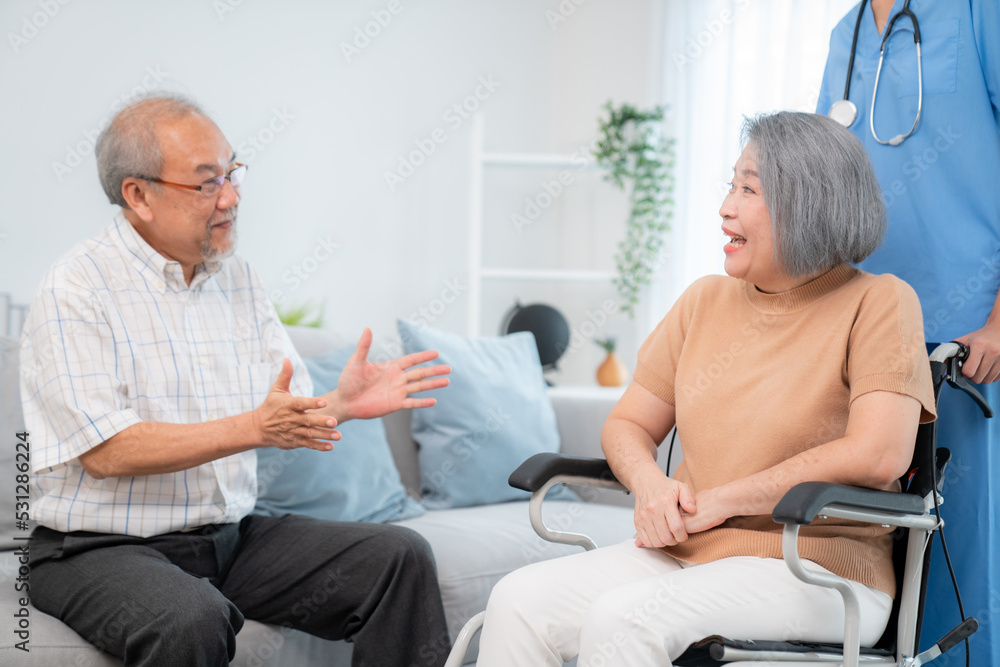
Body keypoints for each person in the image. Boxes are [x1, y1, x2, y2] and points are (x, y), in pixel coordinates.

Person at [473, 111, 937, 666]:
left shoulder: (880, 302)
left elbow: (879, 454)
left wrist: (720, 502)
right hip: (688, 554)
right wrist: (649, 486)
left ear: (808, 203)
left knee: (622, 621)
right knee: (518, 600)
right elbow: (627, 425)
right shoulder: (704, 302)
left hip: (817, 568)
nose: (725, 207)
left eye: (748, 189)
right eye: (730, 184)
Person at [20, 95, 452, 667]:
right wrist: (254, 426)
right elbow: (107, 450)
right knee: (188, 618)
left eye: (232, 171)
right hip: (95, 551)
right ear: (138, 195)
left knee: (399, 556)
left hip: (228, 539)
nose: (231, 196)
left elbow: (281, 409)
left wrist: (340, 405)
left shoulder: (238, 279)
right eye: (206, 183)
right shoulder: (76, 287)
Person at [817, 1, 1000, 662]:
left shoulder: (980, 13)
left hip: (969, 343)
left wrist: (998, 321)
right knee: (869, 543)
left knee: (962, 550)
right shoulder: (848, 30)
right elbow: (822, 179)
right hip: (864, 334)